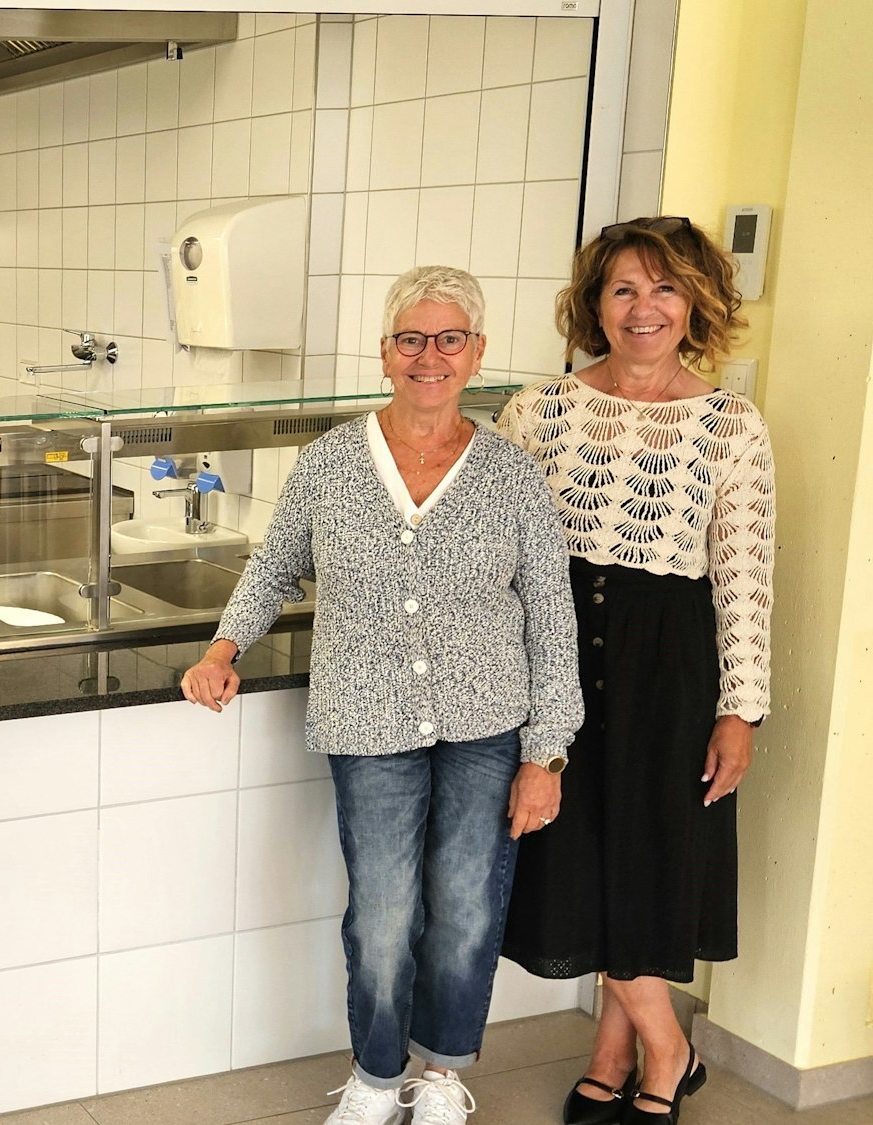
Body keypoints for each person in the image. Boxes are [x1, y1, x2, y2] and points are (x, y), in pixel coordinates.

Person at [182, 266, 582, 1125]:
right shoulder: (329, 461)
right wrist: (221, 649)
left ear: (475, 354)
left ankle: (440, 1075)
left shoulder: (512, 477)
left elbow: (553, 620)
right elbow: (274, 563)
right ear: (385, 352)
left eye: (448, 339)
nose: (428, 356)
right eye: (411, 338)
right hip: (366, 720)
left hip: (488, 724)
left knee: (468, 906)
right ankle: (373, 1076)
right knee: (384, 914)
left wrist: (546, 752)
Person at [498, 216, 773, 1125]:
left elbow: (744, 576)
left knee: (648, 858)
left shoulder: (729, 425)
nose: (643, 307)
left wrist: (742, 709)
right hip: (560, 653)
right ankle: (664, 1047)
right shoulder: (537, 412)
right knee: (580, 855)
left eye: (663, 287)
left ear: (695, 302)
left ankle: (624, 1049)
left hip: (669, 667)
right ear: (595, 305)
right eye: (623, 288)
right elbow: (497, 558)